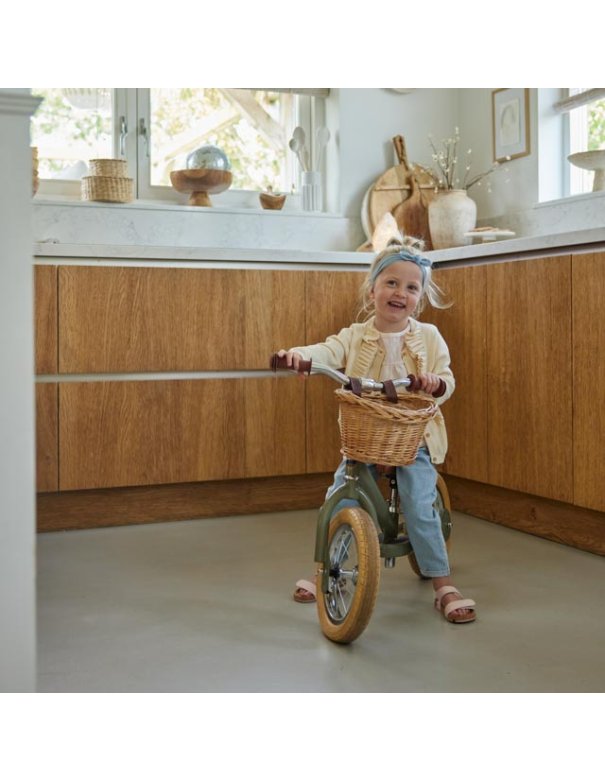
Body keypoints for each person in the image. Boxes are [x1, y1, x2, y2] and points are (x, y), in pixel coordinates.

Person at [277, 234, 476, 624]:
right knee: (339, 498)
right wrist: (299, 357)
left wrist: (435, 383)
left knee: (419, 505)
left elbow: (447, 379)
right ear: (372, 291)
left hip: (411, 436)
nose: (400, 292)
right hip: (364, 435)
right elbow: (327, 351)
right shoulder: (355, 335)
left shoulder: (429, 337)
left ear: (420, 297)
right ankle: (326, 570)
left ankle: (443, 583)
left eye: (411, 287)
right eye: (391, 283)